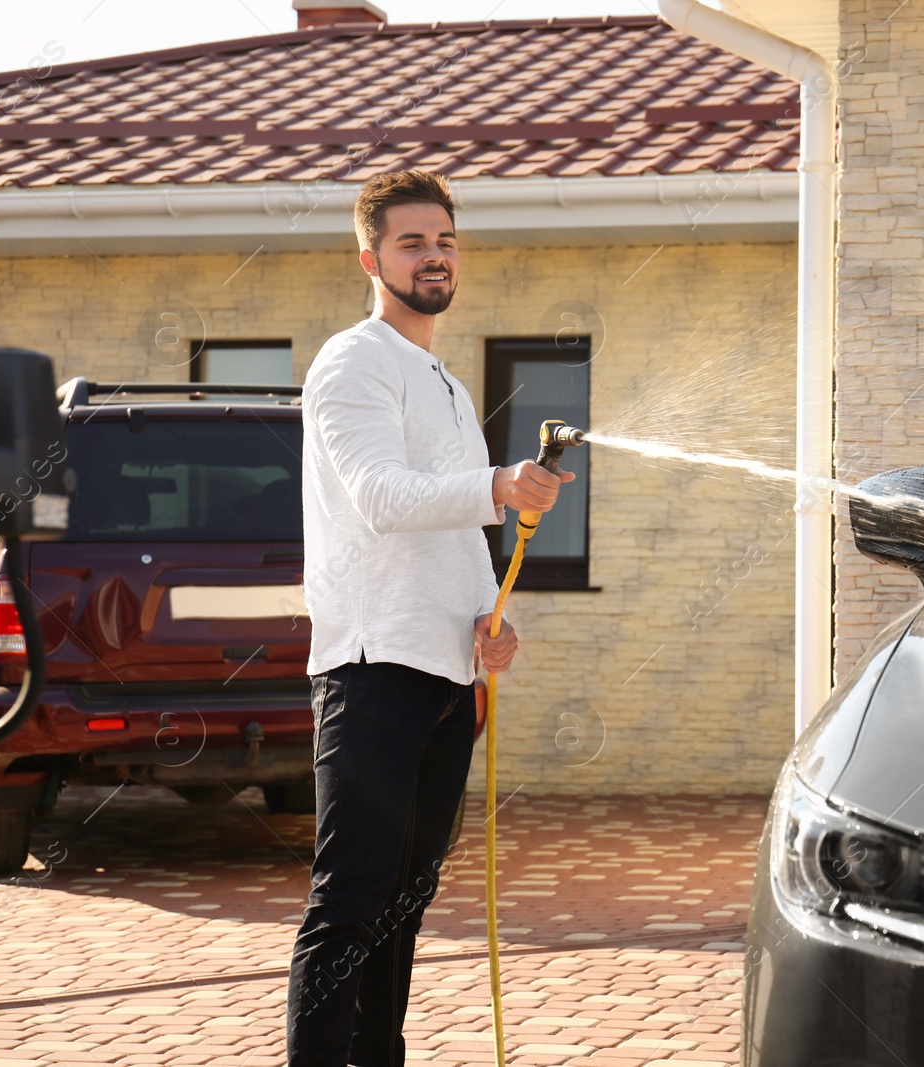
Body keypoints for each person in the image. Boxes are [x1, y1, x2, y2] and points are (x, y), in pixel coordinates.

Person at [286, 168, 573, 1066]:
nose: (434, 255)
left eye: (445, 239)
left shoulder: (444, 384)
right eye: (413, 241)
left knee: (406, 899)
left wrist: (485, 619)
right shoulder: (354, 360)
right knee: (352, 900)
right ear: (370, 256)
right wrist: (495, 485)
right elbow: (380, 495)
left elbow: (447, 536)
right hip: (373, 671)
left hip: (451, 674)